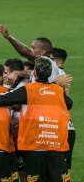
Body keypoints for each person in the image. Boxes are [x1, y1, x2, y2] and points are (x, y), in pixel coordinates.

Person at [0, 58, 73, 181]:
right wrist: (59, 86)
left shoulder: (28, 90)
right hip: (56, 147)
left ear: (34, 73)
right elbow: (69, 104)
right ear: (50, 74)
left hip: (34, 147)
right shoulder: (59, 91)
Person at [50, 47, 76, 180]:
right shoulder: (58, 75)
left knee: (58, 169)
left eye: (51, 59)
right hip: (66, 126)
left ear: (59, 63)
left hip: (60, 128)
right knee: (66, 168)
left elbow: (67, 103)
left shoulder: (57, 75)